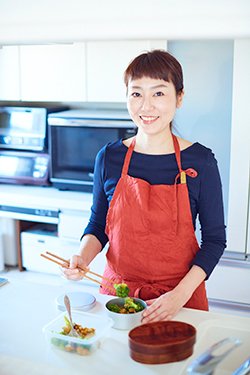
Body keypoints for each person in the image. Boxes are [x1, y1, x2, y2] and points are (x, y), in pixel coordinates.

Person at [62, 49, 226, 323]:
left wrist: (179, 296)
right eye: (136, 93)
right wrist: (82, 256)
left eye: (159, 93)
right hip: (118, 296)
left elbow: (214, 241)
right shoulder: (109, 157)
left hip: (180, 299)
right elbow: (98, 225)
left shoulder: (201, 161)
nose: (146, 106)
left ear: (180, 98)